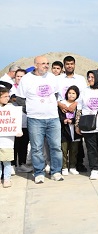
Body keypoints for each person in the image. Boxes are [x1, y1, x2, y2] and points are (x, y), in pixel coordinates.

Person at [16, 55, 64, 184]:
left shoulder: (52, 78)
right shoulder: (26, 79)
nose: (46, 66)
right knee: (36, 148)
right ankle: (39, 173)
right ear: (36, 64)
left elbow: (55, 94)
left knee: (56, 147)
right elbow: (20, 99)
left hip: (53, 118)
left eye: (47, 63)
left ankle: (56, 171)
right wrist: (32, 110)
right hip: (35, 119)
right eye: (43, 63)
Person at [57, 55, 88, 173]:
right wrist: (60, 104)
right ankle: (64, 166)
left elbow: (84, 95)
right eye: (67, 64)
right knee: (64, 141)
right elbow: (55, 95)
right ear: (64, 65)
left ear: (74, 65)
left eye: (71, 64)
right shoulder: (58, 79)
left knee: (77, 140)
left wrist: (75, 104)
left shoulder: (80, 79)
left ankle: (77, 164)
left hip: (76, 109)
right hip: (63, 110)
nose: (69, 66)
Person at [0, 88, 23, 188]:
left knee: (7, 161)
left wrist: (18, 130)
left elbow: (15, 120)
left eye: (8, 96)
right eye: (5, 96)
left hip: (7, 141)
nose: (7, 98)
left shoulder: (11, 108)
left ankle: (7, 178)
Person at [58, 85, 81, 176]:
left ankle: (72, 166)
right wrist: (63, 120)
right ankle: (64, 167)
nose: (71, 95)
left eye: (73, 93)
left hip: (74, 130)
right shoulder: (61, 103)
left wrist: (73, 121)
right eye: (69, 93)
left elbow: (80, 116)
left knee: (74, 150)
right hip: (64, 130)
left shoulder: (78, 104)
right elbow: (58, 115)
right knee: (63, 149)